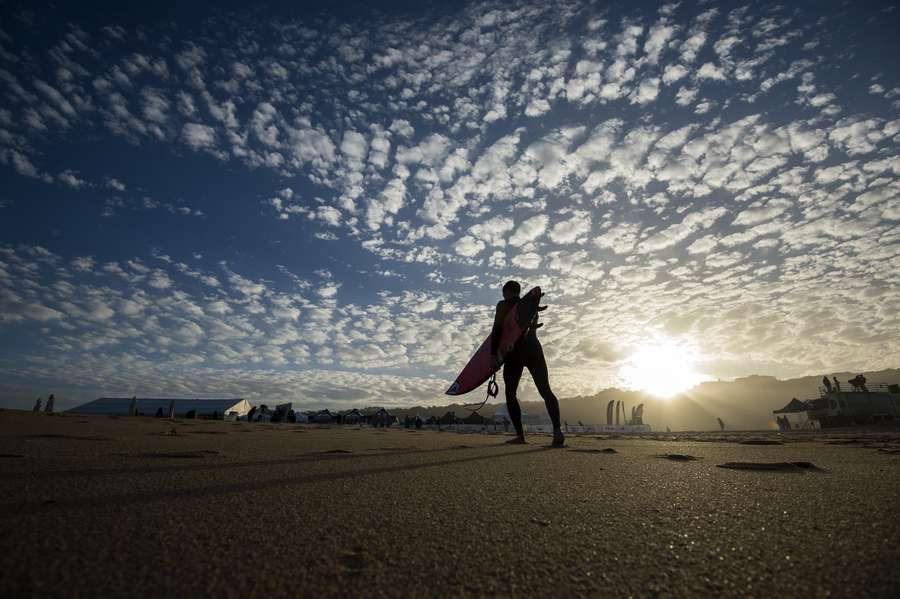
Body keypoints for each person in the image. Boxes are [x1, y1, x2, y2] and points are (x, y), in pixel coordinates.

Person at [490, 280, 564, 447]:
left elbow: (497, 329)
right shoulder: (530, 305)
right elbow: (532, 329)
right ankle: (557, 431)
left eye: (504, 292)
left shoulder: (503, 305)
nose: (503, 295)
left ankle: (520, 436)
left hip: (514, 352)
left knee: (510, 394)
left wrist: (494, 354)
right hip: (533, 347)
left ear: (507, 292)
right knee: (545, 390)